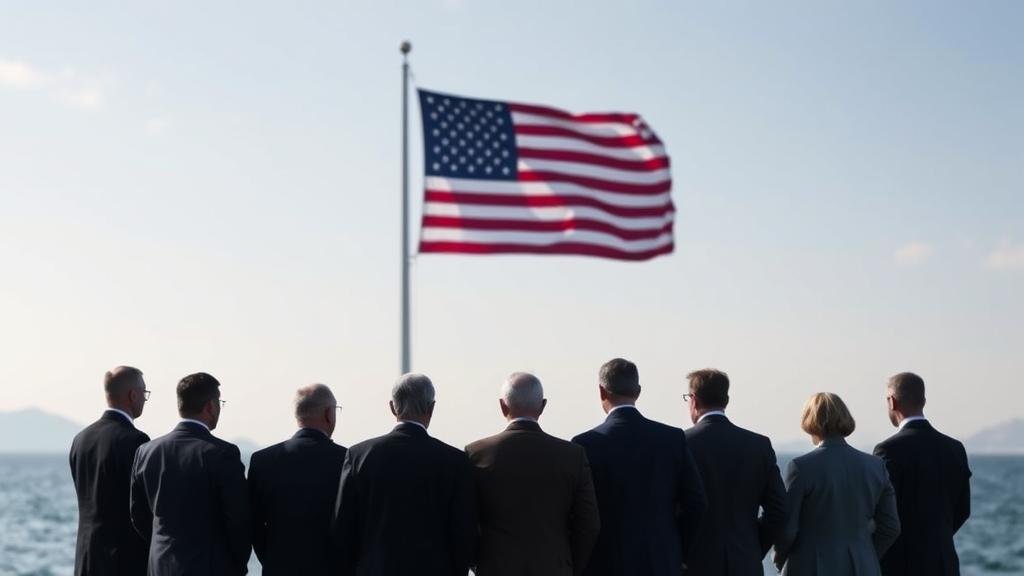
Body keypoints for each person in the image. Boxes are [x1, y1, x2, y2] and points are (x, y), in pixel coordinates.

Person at [572, 358, 707, 576]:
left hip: (604, 563)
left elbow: (580, 514)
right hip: (661, 561)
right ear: (638, 391)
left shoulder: (585, 444)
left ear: (601, 391)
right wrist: (677, 551)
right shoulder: (671, 439)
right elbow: (696, 503)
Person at [332, 373, 476, 576]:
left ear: (392, 407)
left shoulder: (359, 456)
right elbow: (463, 532)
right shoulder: (454, 461)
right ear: (431, 408)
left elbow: (343, 528)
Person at [466, 372, 600, 576]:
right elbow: (588, 523)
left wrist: (477, 563)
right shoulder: (572, 455)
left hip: (496, 568)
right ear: (542, 406)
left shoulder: (477, 453)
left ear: (503, 406)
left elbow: (465, 520)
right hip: (554, 568)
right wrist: (569, 565)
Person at [130, 372, 251, 576]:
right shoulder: (222, 453)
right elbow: (238, 521)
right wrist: (237, 566)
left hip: (160, 566)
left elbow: (138, 515)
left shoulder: (146, 452)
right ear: (210, 406)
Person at [774, 392, 900, 575]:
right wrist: (867, 555)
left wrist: (780, 561)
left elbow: (788, 531)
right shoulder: (875, 466)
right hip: (862, 566)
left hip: (809, 566)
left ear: (810, 421)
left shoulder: (801, 467)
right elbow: (891, 526)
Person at [683, 368, 785, 575]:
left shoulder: (680, 444)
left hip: (694, 563)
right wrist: (754, 547)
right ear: (726, 400)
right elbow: (778, 510)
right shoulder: (758, 445)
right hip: (744, 560)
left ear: (693, 400)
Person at [874, 372, 972, 576]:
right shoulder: (955, 448)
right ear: (924, 401)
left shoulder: (888, 450)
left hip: (901, 565)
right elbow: (963, 510)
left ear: (891, 402)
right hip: (944, 563)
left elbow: (882, 512)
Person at [248, 383, 347, 575]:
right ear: (329, 414)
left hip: (279, 567)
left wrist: (271, 559)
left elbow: (253, 525)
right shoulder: (347, 460)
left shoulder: (263, 460)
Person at [69, 366, 152, 576]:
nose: (144, 399)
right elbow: (141, 506)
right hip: (122, 561)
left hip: (85, 558)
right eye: (144, 393)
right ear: (133, 395)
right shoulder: (135, 440)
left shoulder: (81, 439)